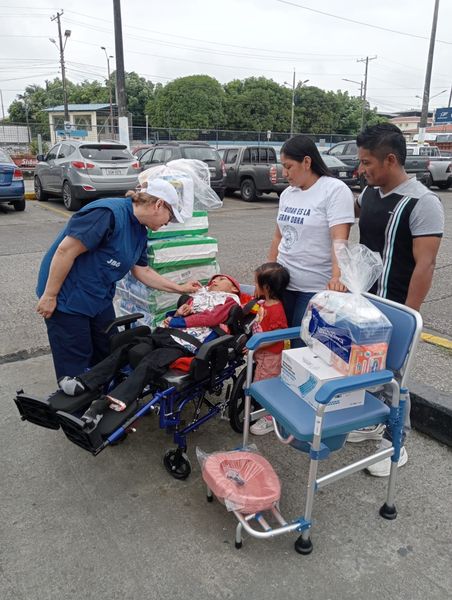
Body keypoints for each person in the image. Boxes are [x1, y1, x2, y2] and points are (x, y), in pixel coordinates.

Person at [349, 123, 444, 477]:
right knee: (366, 367)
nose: (361, 169)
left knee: (395, 376)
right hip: (365, 302)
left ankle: (395, 443)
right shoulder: (369, 194)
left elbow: (425, 264)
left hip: (397, 307)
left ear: (390, 159)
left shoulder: (422, 202)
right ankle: (372, 422)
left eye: (367, 162)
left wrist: (410, 316)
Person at [36, 178, 200, 381]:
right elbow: (65, 251)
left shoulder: (140, 231)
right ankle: (76, 398)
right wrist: (50, 295)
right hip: (67, 295)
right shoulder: (107, 214)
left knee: (107, 349)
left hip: (98, 296)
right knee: (76, 360)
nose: (168, 222)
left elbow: (143, 271)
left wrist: (180, 288)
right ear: (158, 204)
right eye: (170, 216)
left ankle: (100, 393)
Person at [57, 273, 246, 430]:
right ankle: (84, 382)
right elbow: (178, 315)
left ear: (234, 288)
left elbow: (211, 319)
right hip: (166, 333)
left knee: (150, 362)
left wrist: (178, 321)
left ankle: (105, 404)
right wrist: (178, 313)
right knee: (128, 348)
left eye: (221, 279)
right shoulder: (199, 296)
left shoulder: (230, 301)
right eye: (213, 278)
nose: (215, 280)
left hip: (185, 344)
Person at [268, 135, 355, 347]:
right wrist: (267, 273)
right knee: (277, 342)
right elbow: (279, 236)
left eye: (288, 166)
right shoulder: (287, 194)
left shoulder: (334, 190)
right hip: (284, 283)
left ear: (307, 162)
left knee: (303, 345)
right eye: (283, 166)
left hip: (315, 287)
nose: (284, 173)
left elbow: (339, 239)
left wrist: (337, 276)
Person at [248, 262, 290, 436]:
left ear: (266, 287)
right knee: (260, 379)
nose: (254, 285)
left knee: (263, 385)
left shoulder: (276, 310)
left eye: (256, 282)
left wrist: (255, 344)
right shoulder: (265, 303)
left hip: (270, 355)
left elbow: (276, 336)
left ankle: (270, 417)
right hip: (262, 352)